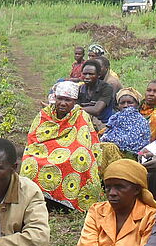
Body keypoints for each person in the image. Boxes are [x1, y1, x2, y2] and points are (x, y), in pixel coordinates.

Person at [20, 80, 103, 211]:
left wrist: (67, 152)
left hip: (72, 150)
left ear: (74, 101)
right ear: (55, 98)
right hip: (44, 151)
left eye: (67, 100)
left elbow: (85, 141)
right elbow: (34, 138)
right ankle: (35, 198)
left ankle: (67, 203)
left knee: (79, 157)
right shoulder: (44, 114)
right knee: (30, 160)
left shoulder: (81, 115)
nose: (63, 103)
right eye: (60, 99)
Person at [95, 87, 151, 174]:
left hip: (132, 155)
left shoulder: (141, 121)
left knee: (108, 147)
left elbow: (131, 141)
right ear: (118, 105)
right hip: (114, 152)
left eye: (130, 103)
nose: (126, 106)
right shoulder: (115, 118)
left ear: (137, 104)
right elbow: (107, 134)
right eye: (122, 103)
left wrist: (109, 140)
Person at [77, 59, 115, 123]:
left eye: (91, 74)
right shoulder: (80, 89)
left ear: (99, 75)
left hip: (105, 122)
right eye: (84, 74)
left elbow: (97, 110)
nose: (87, 77)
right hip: (87, 121)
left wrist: (76, 109)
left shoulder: (106, 88)